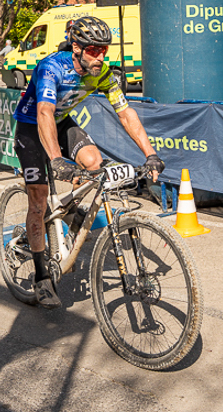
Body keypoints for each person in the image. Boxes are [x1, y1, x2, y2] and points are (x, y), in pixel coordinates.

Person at [12, 16, 164, 309]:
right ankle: (42, 276)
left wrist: (151, 154)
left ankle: (70, 215)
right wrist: (56, 159)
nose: (100, 57)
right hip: (31, 127)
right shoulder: (51, 67)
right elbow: (44, 113)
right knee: (39, 200)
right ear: (76, 48)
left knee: (94, 163)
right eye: (94, 50)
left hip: (61, 122)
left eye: (104, 50)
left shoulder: (102, 73)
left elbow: (126, 113)